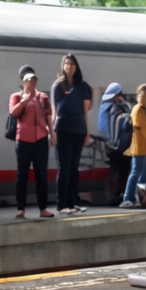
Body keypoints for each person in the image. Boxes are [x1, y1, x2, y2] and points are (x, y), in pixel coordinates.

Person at [9, 68, 55, 218]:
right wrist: (25, 100)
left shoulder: (43, 97)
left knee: (41, 174)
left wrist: (52, 133)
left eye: (33, 80)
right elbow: (14, 113)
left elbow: (48, 116)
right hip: (23, 140)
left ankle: (43, 208)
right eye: (28, 80)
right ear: (23, 82)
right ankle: (20, 208)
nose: (31, 83)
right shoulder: (16, 96)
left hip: (41, 139)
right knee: (22, 174)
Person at [51, 53, 93, 214]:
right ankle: (61, 204)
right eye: (67, 64)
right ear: (63, 66)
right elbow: (54, 111)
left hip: (79, 128)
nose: (69, 67)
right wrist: (53, 132)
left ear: (76, 67)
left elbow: (85, 112)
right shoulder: (58, 85)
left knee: (74, 168)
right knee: (64, 168)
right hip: (63, 127)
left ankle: (71, 202)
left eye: (72, 64)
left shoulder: (82, 86)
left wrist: (87, 131)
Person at [119, 84, 146, 208]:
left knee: (143, 173)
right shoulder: (138, 109)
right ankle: (128, 198)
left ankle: (138, 198)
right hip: (140, 145)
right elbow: (142, 127)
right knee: (136, 172)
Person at [97, 83, 133, 207]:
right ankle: (116, 194)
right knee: (121, 169)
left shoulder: (104, 106)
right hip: (120, 144)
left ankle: (113, 194)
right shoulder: (115, 107)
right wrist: (124, 102)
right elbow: (130, 115)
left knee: (116, 169)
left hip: (110, 143)